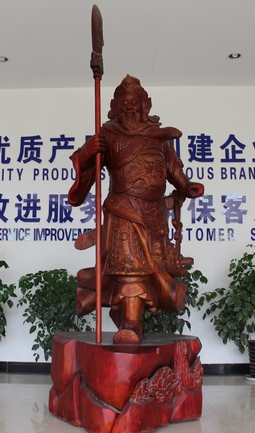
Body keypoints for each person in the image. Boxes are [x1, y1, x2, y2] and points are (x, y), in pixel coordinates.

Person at [68, 75, 204, 344]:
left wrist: (186, 186)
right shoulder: (108, 133)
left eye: (134, 102)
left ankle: (132, 320)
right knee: (130, 268)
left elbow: (173, 168)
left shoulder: (159, 137)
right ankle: (131, 322)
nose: (129, 107)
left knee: (153, 269)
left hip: (154, 213)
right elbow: (86, 168)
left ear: (146, 105)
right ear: (114, 106)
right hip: (124, 210)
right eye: (124, 102)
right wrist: (87, 153)